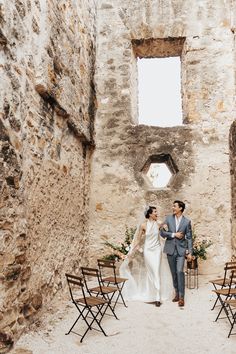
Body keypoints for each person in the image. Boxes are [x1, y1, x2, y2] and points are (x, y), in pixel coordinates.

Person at [119, 206, 172, 306]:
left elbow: (166, 232)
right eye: (155, 212)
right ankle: (150, 293)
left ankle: (157, 297)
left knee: (156, 271)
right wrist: (132, 251)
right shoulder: (143, 225)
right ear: (150, 214)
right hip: (147, 251)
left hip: (157, 251)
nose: (157, 213)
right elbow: (138, 240)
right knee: (150, 272)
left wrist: (167, 231)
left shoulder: (159, 223)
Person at [159, 200, 193, 307]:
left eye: (174, 206)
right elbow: (162, 232)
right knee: (174, 273)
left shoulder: (187, 222)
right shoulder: (168, 219)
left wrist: (190, 252)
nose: (173, 208)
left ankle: (182, 297)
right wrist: (174, 234)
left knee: (179, 271)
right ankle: (177, 293)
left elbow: (189, 238)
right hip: (170, 250)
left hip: (181, 251)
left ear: (180, 208)